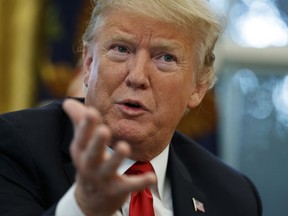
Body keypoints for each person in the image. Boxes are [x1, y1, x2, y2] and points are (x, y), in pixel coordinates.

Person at [0, 0, 262, 215]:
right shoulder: (13, 148)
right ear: (89, 64)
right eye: (121, 49)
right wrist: (81, 209)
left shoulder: (233, 197)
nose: (137, 76)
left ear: (198, 88)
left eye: (166, 57)